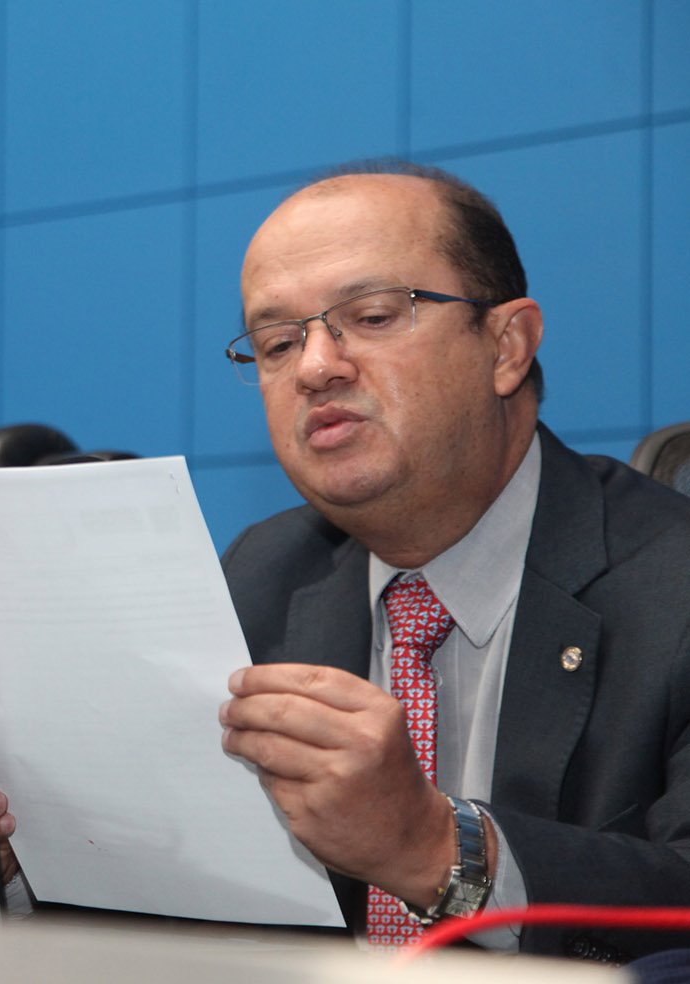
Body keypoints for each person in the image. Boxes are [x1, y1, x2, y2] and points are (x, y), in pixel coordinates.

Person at [213, 162, 690, 960]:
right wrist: (24, 859)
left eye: (371, 316)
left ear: (507, 346)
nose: (315, 367)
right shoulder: (263, 574)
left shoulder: (673, 587)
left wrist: (435, 849)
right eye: (277, 343)